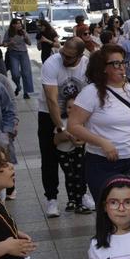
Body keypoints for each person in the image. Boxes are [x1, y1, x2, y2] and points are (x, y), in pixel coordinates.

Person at [67, 44, 130, 202]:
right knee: (109, 210)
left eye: (123, 63)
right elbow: (73, 126)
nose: (121, 67)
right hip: (103, 164)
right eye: (116, 64)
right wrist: (102, 142)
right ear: (103, 68)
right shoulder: (91, 93)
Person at [40, 37, 91, 216]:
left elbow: (90, 94)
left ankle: (83, 195)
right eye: (63, 53)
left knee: (81, 158)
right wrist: (61, 129)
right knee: (49, 158)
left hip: (77, 114)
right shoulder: (51, 63)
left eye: (70, 57)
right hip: (49, 114)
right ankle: (51, 199)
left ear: (79, 55)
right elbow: (52, 100)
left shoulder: (87, 64)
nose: (64, 58)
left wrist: (81, 124)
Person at [4, 17, 35, 99]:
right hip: (13, 54)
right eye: (17, 23)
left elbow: (29, 43)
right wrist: (10, 43)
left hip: (24, 53)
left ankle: (26, 92)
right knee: (15, 74)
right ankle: (18, 86)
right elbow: (4, 43)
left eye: (20, 23)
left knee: (26, 73)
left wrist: (25, 36)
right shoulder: (9, 33)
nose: (19, 25)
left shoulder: (23, 32)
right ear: (13, 25)